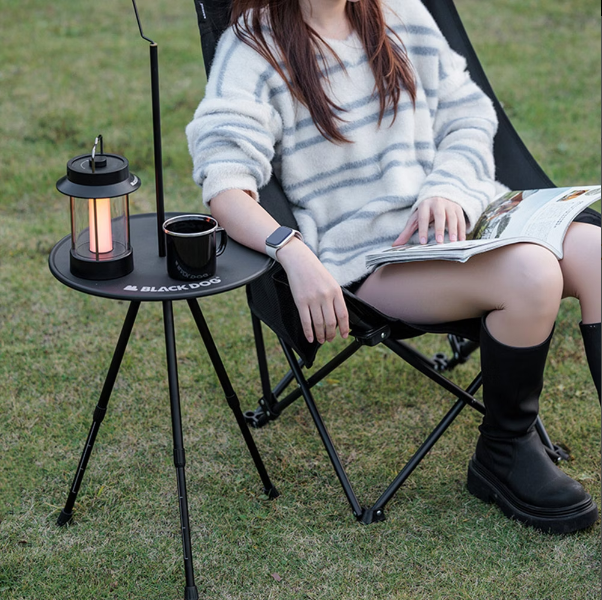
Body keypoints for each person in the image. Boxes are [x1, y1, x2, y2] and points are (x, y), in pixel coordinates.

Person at [186, 0, 601, 533]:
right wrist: (292, 252)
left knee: (596, 251)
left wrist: (448, 188)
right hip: (369, 255)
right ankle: (504, 450)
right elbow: (225, 185)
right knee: (532, 274)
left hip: (462, 214)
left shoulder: (399, 12)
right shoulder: (253, 46)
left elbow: (469, 113)